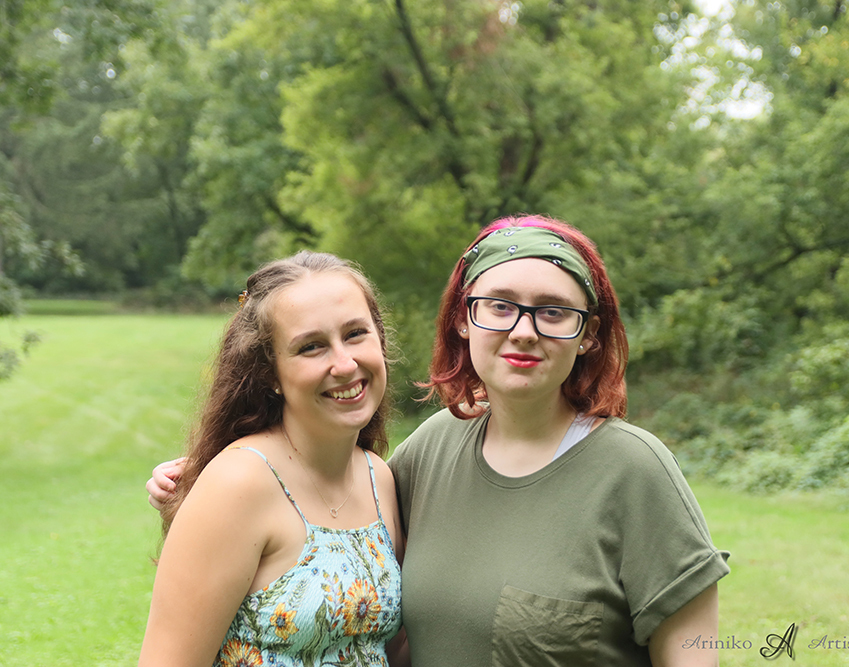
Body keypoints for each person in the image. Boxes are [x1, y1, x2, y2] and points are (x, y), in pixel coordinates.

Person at [149, 216, 729, 666]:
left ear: (588, 336)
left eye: (553, 312)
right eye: (500, 306)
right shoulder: (430, 452)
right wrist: (202, 490)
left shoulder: (635, 470)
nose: (523, 330)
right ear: (463, 319)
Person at [139, 251, 405, 667]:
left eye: (356, 334)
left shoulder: (379, 479)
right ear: (270, 373)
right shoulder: (239, 483)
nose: (345, 363)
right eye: (311, 347)